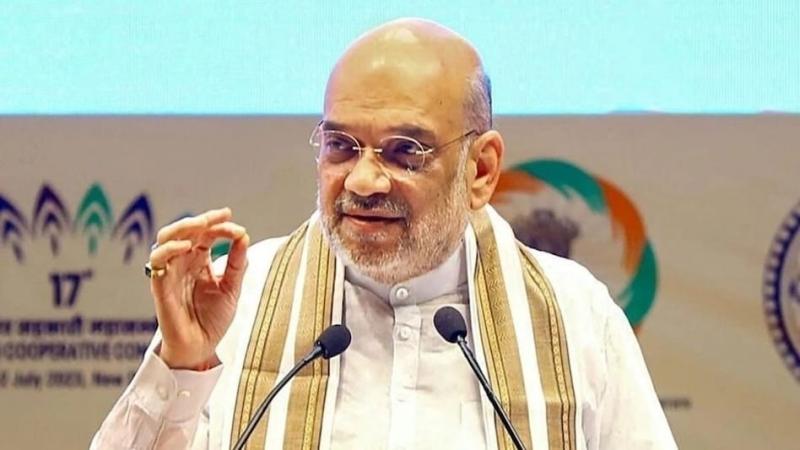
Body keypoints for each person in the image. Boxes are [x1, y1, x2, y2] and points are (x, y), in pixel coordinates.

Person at [91, 18, 677, 450]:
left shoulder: (574, 317)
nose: (364, 181)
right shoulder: (239, 301)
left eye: (405, 151)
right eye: (341, 146)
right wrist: (182, 366)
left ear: (481, 170)